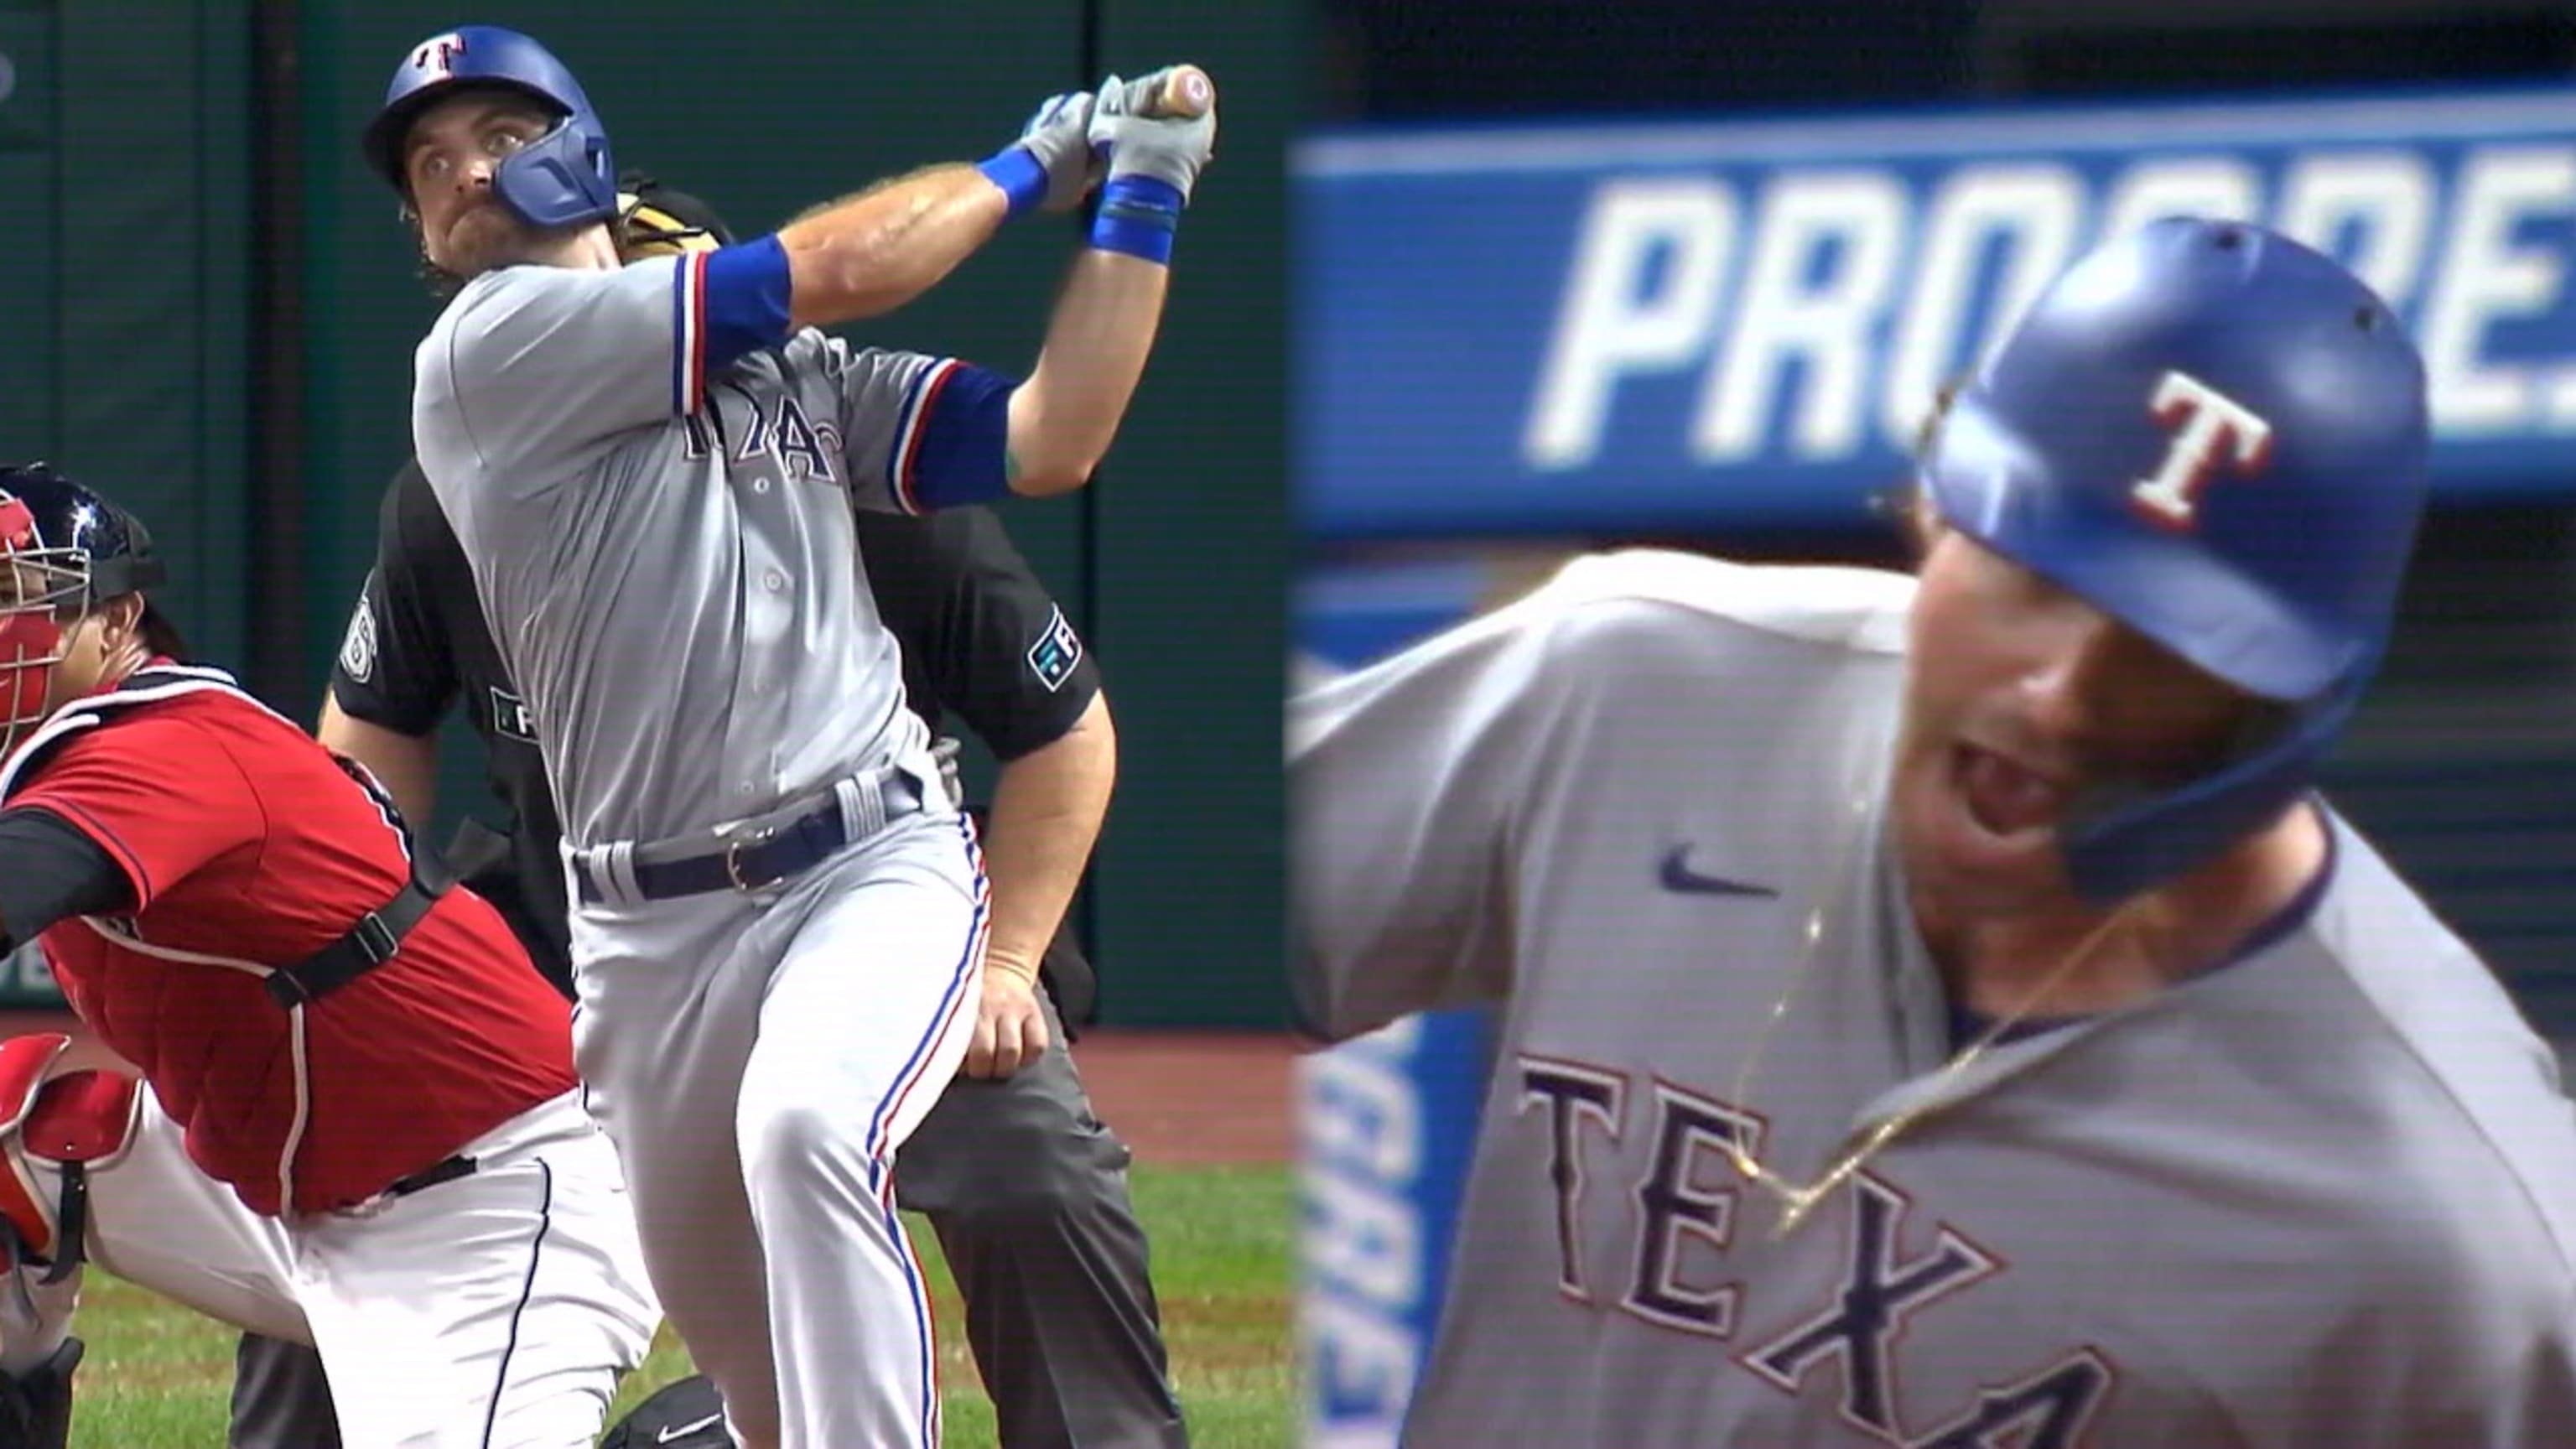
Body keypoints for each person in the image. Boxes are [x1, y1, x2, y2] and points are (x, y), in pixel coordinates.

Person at [1287, 217, 2576, 1446]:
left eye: (2166, 650)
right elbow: (1123, 925)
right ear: (1937, 512)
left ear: (2288, 702)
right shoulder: (1639, 685)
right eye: (2035, 578)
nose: (2056, 694)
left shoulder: (2456, 1237)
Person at [226, 179, 1190, 1449]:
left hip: (849, 902)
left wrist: (1009, 961)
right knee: (362, 1144)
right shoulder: (474, 480)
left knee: (1025, 1159)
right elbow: (366, 732)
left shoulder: (850, 472)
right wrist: (384, 961)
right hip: (583, 927)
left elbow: (1066, 725)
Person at [0, 462, 660, 1447]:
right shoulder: (68, 745)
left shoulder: (159, 745)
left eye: (15, 595)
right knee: (26, 1114)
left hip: (492, 1202)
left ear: (116, 620)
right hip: (302, 1188)